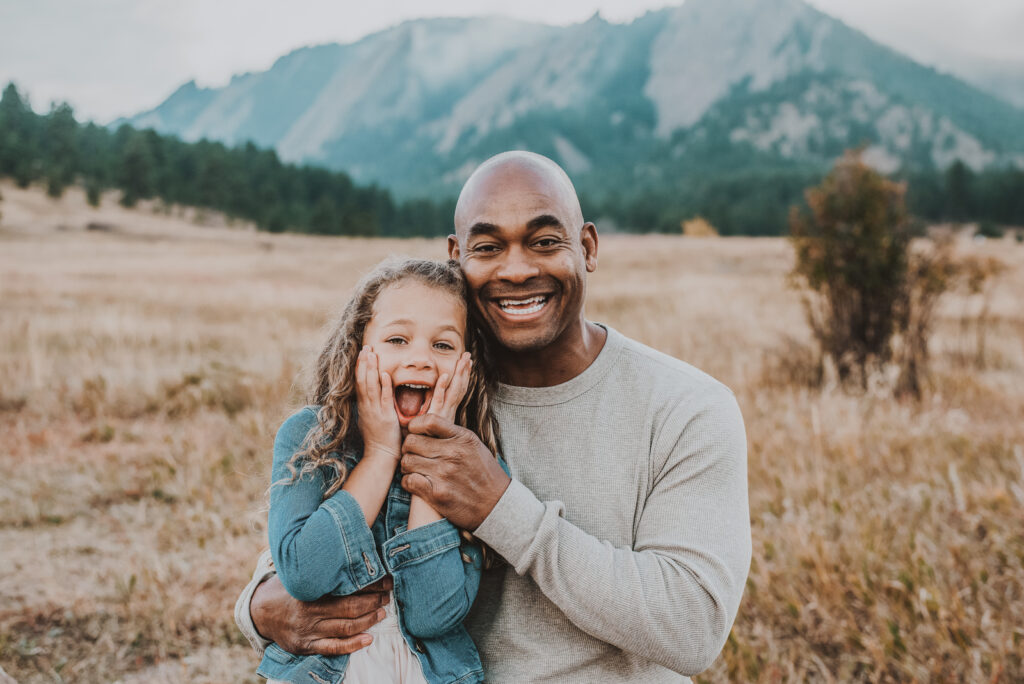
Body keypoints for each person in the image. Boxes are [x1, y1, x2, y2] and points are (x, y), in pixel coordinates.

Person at [236, 151, 752, 682]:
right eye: (487, 247)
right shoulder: (417, 393)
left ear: (589, 247)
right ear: (456, 258)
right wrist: (256, 605)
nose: (517, 269)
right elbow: (301, 546)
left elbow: (694, 629)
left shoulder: (688, 407)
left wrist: (500, 507)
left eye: (546, 241)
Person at [256, 258, 505, 684]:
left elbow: (432, 614)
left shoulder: (475, 462)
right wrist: (380, 453)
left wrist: (431, 455)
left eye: (443, 345)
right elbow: (304, 574)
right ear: (357, 348)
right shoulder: (310, 437)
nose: (421, 360)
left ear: (467, 365)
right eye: (397, 339)